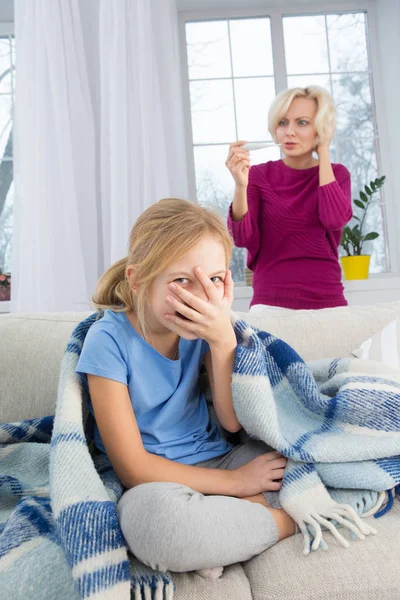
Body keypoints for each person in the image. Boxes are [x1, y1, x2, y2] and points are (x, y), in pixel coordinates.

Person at [76, 198, 295, 578]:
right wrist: (236, 484)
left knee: (302, 464)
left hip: (217, 458)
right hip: (156, 482)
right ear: (137, 279)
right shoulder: (107, 340)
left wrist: (223, 339)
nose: (199, 297)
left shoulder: (205, 329)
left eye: (212, 280)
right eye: (181, 280)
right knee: (160, 530)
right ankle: (286, 523)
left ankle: (223, 531)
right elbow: (132, 468)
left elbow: (230, 422)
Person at [226, 86, 352, 311]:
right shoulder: (258, 176)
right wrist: (240, 185)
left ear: (320, 128)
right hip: (270, 302)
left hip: (327, 300)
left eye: (302, 123)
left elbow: (333, 220)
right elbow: (241, 238)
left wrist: (323, 152)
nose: (289, 132)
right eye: (283, 123)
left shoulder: (338, 175)